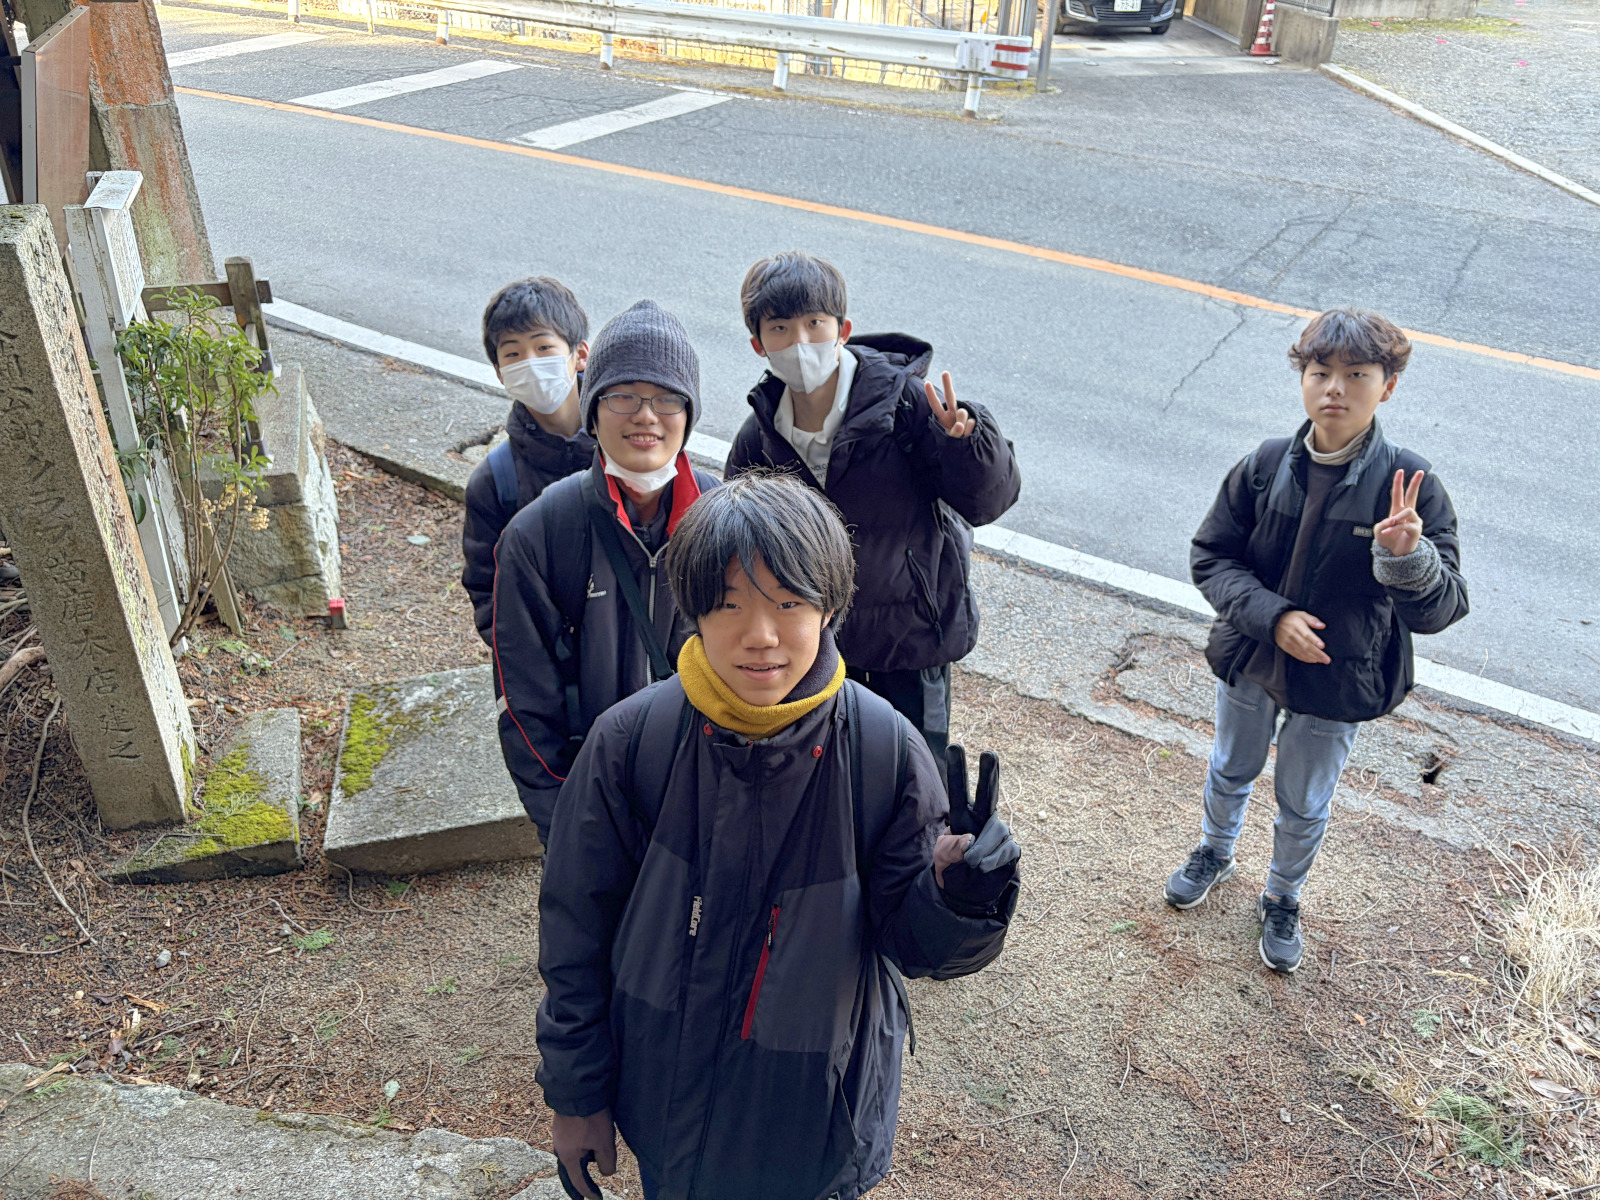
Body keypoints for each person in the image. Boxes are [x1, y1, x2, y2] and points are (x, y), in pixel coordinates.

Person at [536, 472, 1021, 1200]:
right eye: (729, 603)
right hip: (665, 1099)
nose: (760, 635)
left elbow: (913, 948)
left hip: (818, 1116)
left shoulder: (884, 751)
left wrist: (960, 899)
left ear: (830, 607)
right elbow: (575, 931)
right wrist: (577, 1096)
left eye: (788, 602)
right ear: (693, 607)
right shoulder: (632, 741)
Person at [1169, 309, 1469, 973]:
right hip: (1253, 655)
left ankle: (1282, 897)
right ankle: (1215, 852)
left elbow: (1444, 607)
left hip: (1339, 675)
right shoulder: (1264, 465)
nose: (1336, 387)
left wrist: (1407, 558)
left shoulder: (1409, 486)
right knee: (1230, 766)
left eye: (1357, 374)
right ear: (1303, 378)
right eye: (1320, 371)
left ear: (1387, 386)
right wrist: (1273, 617)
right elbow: (1211, 556)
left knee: (1304, 800)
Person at [724, 251, 1021, 785]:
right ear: (758, 344)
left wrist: (966, 444)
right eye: (780, 329)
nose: (800, 342)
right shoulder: (759, 437)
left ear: (842, 329)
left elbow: (988, 501)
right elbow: (738, 540)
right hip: (814, 646)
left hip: (909, 639)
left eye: (815, 323)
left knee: (913, 779)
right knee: (828, 777)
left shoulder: (906, 404)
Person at [491, 300, 719, 846]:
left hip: (713, 796)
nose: (646, 415)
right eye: (622, 396)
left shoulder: (727, 520)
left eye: (667, 398)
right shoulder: (539, 533)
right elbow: (524, 703)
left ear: (688, 415)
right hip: (594, 801)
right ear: (592, 412)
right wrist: (565, 824)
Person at [462, 277, 595, 643]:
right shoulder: (494, 482)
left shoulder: (627, 451)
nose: (531, 363)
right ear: (499, 372)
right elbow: (488, 591)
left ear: (580, 354)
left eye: (543, 346)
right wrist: (528, 661)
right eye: (513, 354)